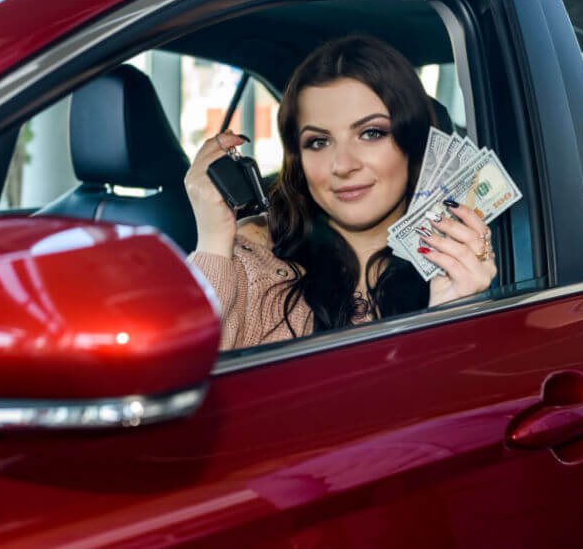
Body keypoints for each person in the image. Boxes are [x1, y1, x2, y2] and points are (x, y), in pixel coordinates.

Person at [185, 35, 497, 350]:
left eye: (371, 133)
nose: (342, 165)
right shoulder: (249, 265)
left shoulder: (467, 267)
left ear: (414, 145)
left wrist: (449, 316)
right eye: (319, 142)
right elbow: (184, 375)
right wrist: (212, 241)